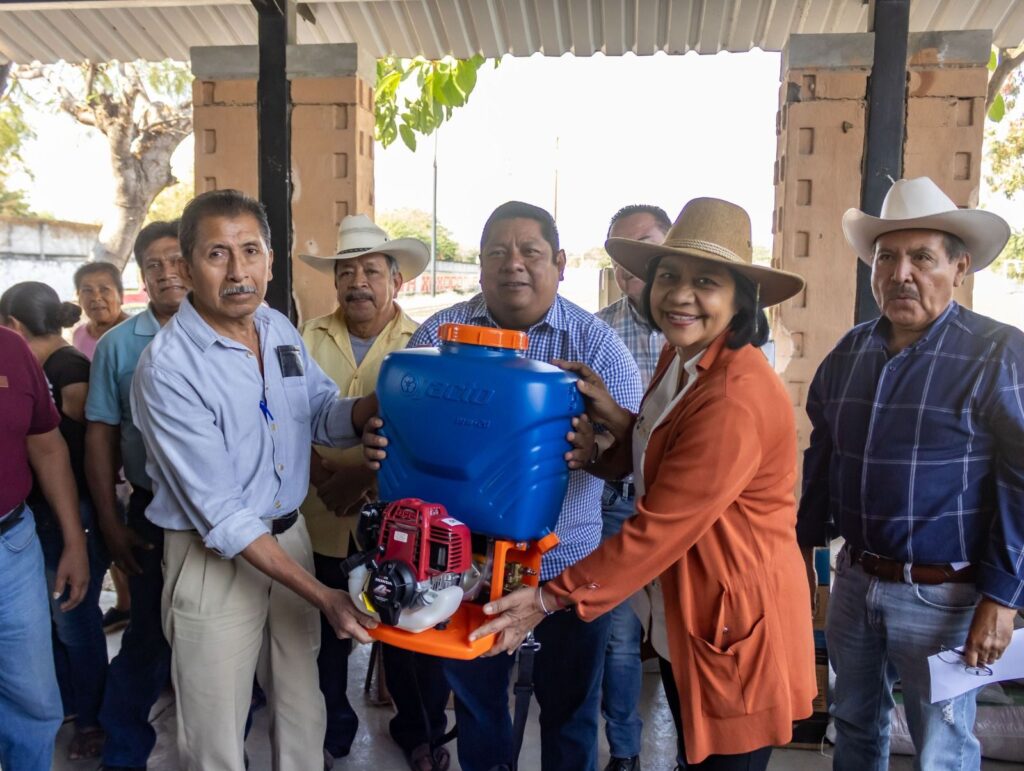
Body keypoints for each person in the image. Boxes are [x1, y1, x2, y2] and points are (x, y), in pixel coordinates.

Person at [472, 198, 817, 770]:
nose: (680, 295)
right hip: (688, 615)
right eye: (669, 276)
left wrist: (547, 598)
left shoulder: (734, 396)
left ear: (741, 299)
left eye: (705, 282)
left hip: (735, 621)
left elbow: (660, 528)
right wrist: (604, 436)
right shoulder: (683, 359)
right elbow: (660, 452)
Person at [365, 200, 644, 771]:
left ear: (559, 263)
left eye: (530, 252)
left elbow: (634, 459)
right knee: (479, 708)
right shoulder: (439, 335)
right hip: (462, 572)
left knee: (570, 713)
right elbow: (402, 426)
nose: (512, 263)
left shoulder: (596, 347)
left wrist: (594, 449)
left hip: (566, 569)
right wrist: (379, 439)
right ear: (482, 264)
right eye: (497, 252)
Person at [131, 189, 377, 771]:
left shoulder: (276, 327)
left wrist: (380, 403)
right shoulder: (168, 367)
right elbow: (223, 514)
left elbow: (321, 414)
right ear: (188, 267)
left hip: (288, 535)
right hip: (212, 558)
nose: (238, 271)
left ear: (270, 260)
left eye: (250, 251)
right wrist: (323, 594)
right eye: (217, 254)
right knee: (214, 731)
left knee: (301, 706)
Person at [797, 176, 1024, 771]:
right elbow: (822, 459)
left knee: (941, 747)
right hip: (855, 581)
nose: (901, 274)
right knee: (853, 727)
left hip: (945, 593)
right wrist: (802, 551)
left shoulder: (997, 353)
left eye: (922, 257)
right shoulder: (848, 353)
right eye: (886, 258)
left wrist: (1002, 598)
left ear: (959, 268)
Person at [299, 215, 450, 771]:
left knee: (410, 636)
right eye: (346, 272)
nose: (357, 282)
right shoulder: (303, 338)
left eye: (370, 271)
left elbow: (429, 435)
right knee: (323, 637)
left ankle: (421, 735)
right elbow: (285, 421)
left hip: (399, 521)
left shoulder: (425, 344)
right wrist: (325, 480)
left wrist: (359, 479)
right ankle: (332, 733)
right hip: (318, 510)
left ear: (396, 281)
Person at [84, 220, 186, 771]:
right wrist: (110, 521)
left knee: (226, 638)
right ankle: (123, 749)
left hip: (222, 517)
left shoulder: (232, 331)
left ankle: (225, 745)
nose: (167, 273)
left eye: (177, 260)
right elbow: (100, 435)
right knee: (147, 632)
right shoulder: (118, 346)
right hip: (152, 511)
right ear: (142, 277)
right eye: (154, 265)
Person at [0, 282, 110, 761]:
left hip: (16, 541)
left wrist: (76, 540)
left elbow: (50, 448)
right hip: (36, 529)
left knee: (36, 700)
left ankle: (85, 717)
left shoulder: (15, 352)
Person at [593, 204, 670, 771]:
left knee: (686, 632)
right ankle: (625, 751)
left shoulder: (705, 331)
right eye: (620, 257)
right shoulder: (599, 334)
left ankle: (697, 751)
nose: (629, 269)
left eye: (643, 249)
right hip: (617, 502)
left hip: (688, 510)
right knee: (618, 638)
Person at [73, 261, 129, 360]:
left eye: (104, 289)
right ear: (78, 297)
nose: (96, 297)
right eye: (87, 290)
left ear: (120, 295)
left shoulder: (138, 333)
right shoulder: (79, 334)